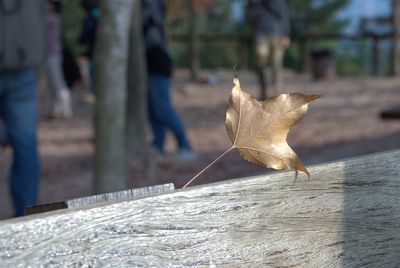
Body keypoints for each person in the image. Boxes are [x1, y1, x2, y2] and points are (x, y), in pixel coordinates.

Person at [0, 0, 46, 216]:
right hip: (23, 65)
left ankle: (26, 218)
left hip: (23, 70)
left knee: (26, 148)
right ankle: (27, 220)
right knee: (26, 147)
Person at [142, 0, 196, 161]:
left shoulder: (151, 10)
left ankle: (185, 146)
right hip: (152, 64)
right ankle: (158, 146)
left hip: (158, 63)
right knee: (153, 109)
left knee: (162, 107)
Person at [247, 0, 290, 99]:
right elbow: (251, 17)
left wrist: (286, 34)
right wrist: (253, 3)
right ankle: (263, 91)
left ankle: (277, 92)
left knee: (276, 64)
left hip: (277, 34)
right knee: (260, 58)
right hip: (261, 34)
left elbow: (284, 15)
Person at [46, 0, 72, 118]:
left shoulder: (52, 18)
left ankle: (66, 109)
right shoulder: (53, 18)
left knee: (57, 82)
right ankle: (56, 110)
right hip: (50, 54)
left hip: (53, 54)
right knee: (52, 84)